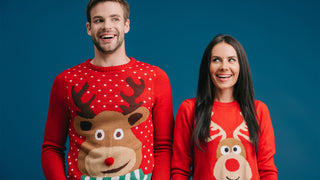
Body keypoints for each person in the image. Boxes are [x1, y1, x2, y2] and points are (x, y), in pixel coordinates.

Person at [41, 0, 174, 179]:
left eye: (115, 19)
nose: (107, 26)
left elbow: (164, 146)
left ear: (126, 25)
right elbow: (52, 148)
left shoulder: (155, 77)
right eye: (99, 20)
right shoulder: (66, 81)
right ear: (89, 28)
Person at [171, 34, 278, 179]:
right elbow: (180, 169)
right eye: (216, 60)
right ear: (207, 67)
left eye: (231, 60)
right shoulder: (189, 109)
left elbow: (267, 170)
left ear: (241, 66)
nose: (224, 67)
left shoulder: (259, 110)